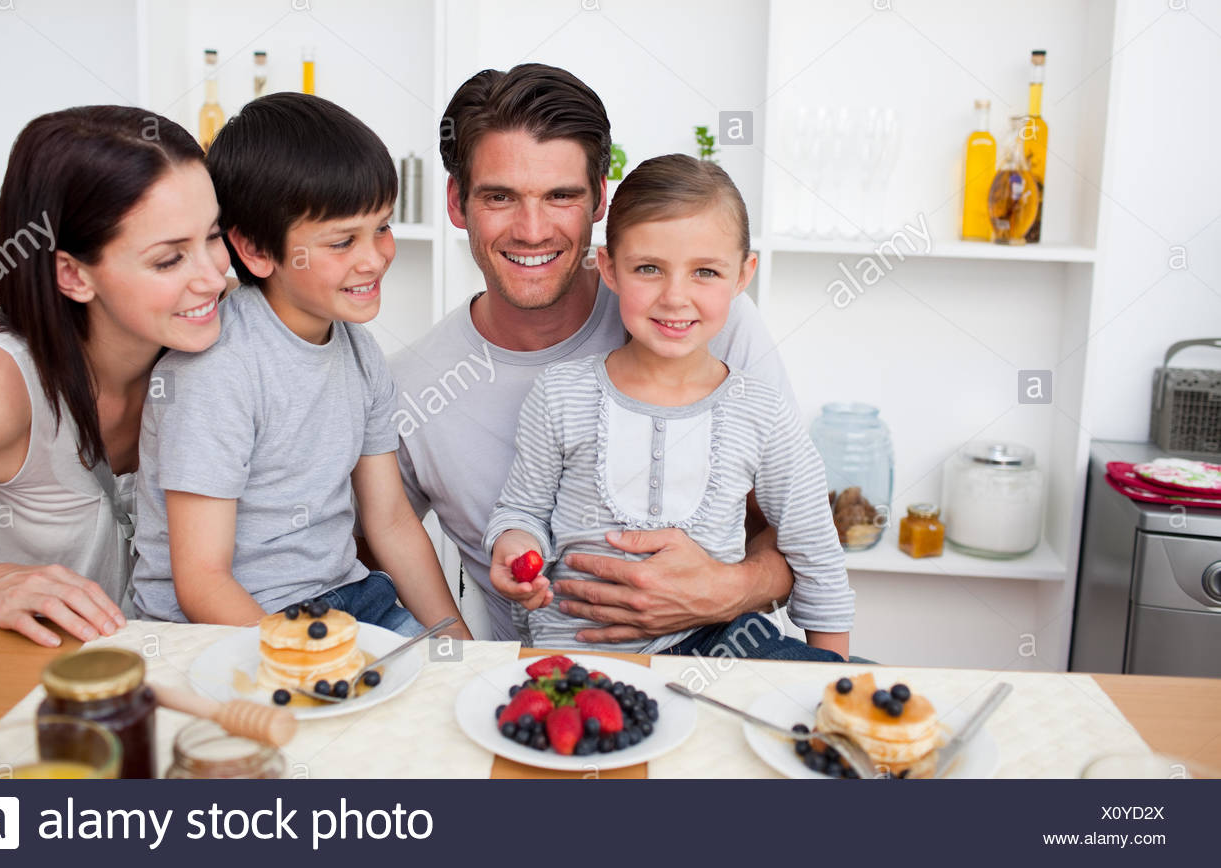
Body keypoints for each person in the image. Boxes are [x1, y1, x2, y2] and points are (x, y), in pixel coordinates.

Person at [390, 63, 824, 655]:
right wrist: (460, 661)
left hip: (720, 665)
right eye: (500, 197)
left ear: (600, 200)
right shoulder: (413, 387)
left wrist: (728, 590)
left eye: (561, 196)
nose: (532, 229)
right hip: (553, 683)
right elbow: (377, 547)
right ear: (457, 202)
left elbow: (803, 527)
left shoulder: (695, 320)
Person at [484, 155, 853, 659]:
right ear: (610, 267)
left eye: (705, 271)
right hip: (578, 654)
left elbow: (816, 553)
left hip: (724, 647)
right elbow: (522, 509)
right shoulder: (560, 393)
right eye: (649, 269)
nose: (675, 298)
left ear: (743, 274)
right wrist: (515, 547)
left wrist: (831, 678)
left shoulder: (761, 412)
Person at [131, 93, 470, 641]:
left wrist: (459, 648)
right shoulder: (217, 370)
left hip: (349, 601)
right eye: (343, 241)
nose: (374, 257)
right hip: (213, 625)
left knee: (441, 699)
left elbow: (391, 522)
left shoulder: (359, 351)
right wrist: (308, 665)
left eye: (381, 227)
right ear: (256, 250)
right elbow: (201, 583)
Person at [0, 106, 226, 646]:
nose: (213, 278)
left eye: (214, 235)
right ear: (72, 274)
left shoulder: (206, 353)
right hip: (5, 689)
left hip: (148, 683)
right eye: (168, 260)